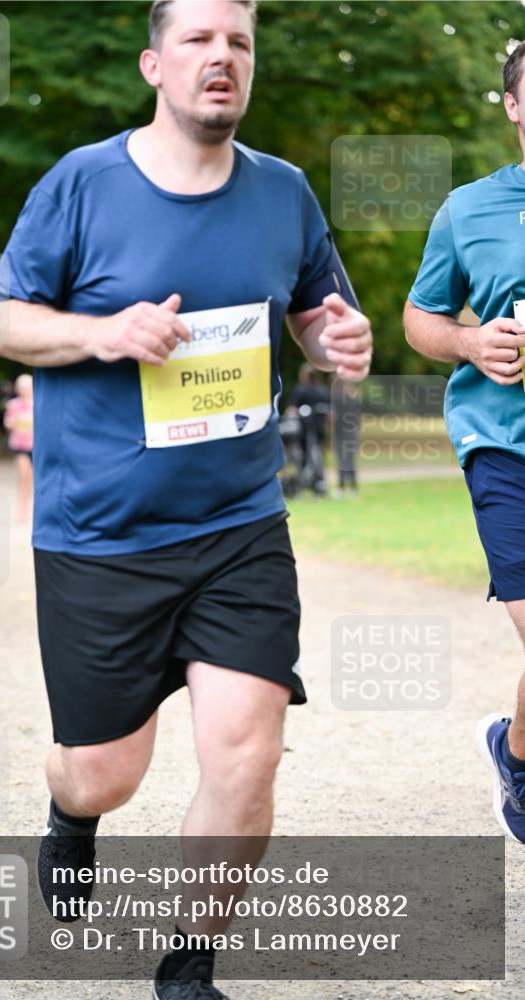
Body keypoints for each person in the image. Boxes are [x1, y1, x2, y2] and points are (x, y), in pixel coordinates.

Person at [0, 2, 373, 995]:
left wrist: (338, 346)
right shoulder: (82, 182)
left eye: (237, 41)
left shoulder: (282, 193)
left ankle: (188, 966)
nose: (221, 57)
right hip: (100, 534)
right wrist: (101, 334)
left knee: (247, 748)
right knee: (104, 769)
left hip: (238, 524)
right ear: (156, 64)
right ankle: (72, 817)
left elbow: (319, 316)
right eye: (198, 39)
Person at [404, 41, 525, 844]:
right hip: (503, 445)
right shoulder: (468, 210)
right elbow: (420, 318)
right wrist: (473, 345)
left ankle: (511, 752)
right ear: (513, 106)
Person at [284, 362, 330, 496]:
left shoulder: (300, 389)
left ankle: (303, 484)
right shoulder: (323, 390)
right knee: (319, 457)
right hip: (320, 430)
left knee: (302, 458)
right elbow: (329, 414)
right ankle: (319, 483)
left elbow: (291, 410)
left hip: (303, 431)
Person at [4, 373, 34, 521]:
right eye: (21, 387)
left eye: (27, 387)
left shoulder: (38, 403)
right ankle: (21, 503)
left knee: (30, 477)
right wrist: (14, 422)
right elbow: (7, 423)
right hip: (19, 444)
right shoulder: (13, 404)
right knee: (23, 474)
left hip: (35, 445)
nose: (24, 390)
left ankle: (27, 503)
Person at [330, 375, 361, 497]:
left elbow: (333, 417)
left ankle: (341, 487)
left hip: (341, 432)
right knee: (350, 459)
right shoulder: (353, 397)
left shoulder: (337, 397)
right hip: (353, 431)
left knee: (342, 460)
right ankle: (353, 487)